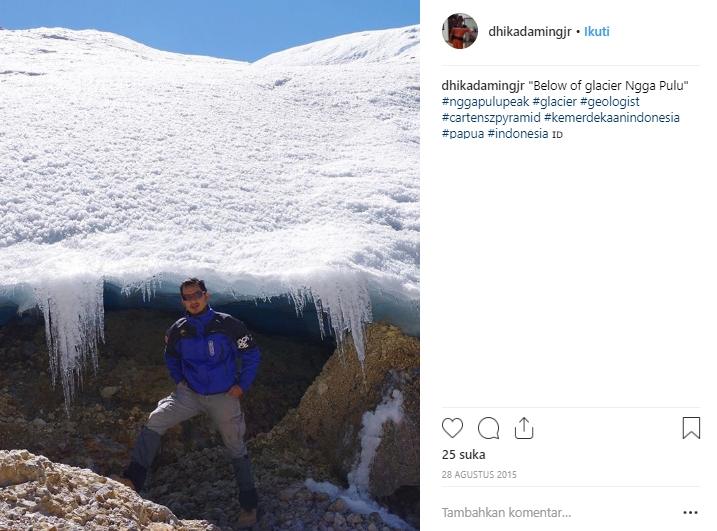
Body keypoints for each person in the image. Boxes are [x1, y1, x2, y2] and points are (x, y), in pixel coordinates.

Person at [115, 278, 261, 527]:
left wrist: (241, 386)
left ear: (206, 295)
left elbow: (251, 354)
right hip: (189, 395)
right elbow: (170, 357)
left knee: (236, 446)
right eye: (187, 297)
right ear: (182, 300)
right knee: (156, 419)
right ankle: (132, 481)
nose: (193, 301)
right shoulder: (178, 330)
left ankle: (249, 506)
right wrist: (179, 380)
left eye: (197, 295)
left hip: (223, 396)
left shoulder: (228, 325)